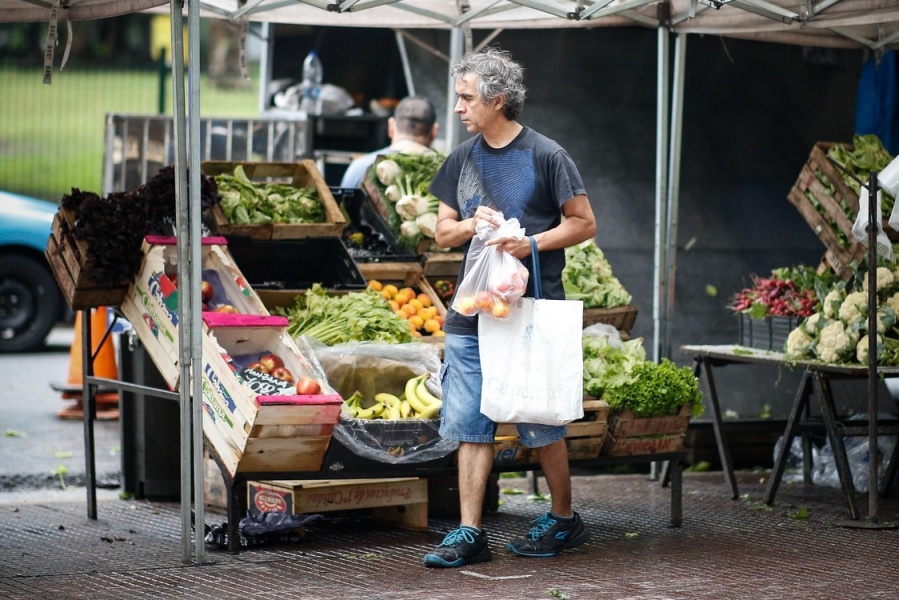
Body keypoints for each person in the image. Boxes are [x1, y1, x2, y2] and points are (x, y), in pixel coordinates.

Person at [422, 46, 597, 569]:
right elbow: (442, 230)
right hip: (472, 308)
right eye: (458, 97)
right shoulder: (462, 157)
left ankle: (564, 518)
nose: (458, 108)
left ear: (498, 100)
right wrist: (471, 225)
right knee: (470, 421)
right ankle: (469, 532)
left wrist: (533, 243)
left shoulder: (547, 155)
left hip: (531, 310)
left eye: (467, 98)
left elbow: (584, 223)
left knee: (539, 419)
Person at [338, 94, 439, 189]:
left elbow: (341, 205)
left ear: (391, 126)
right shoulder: (443, 170)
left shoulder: (360, 167)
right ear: (434, 131)